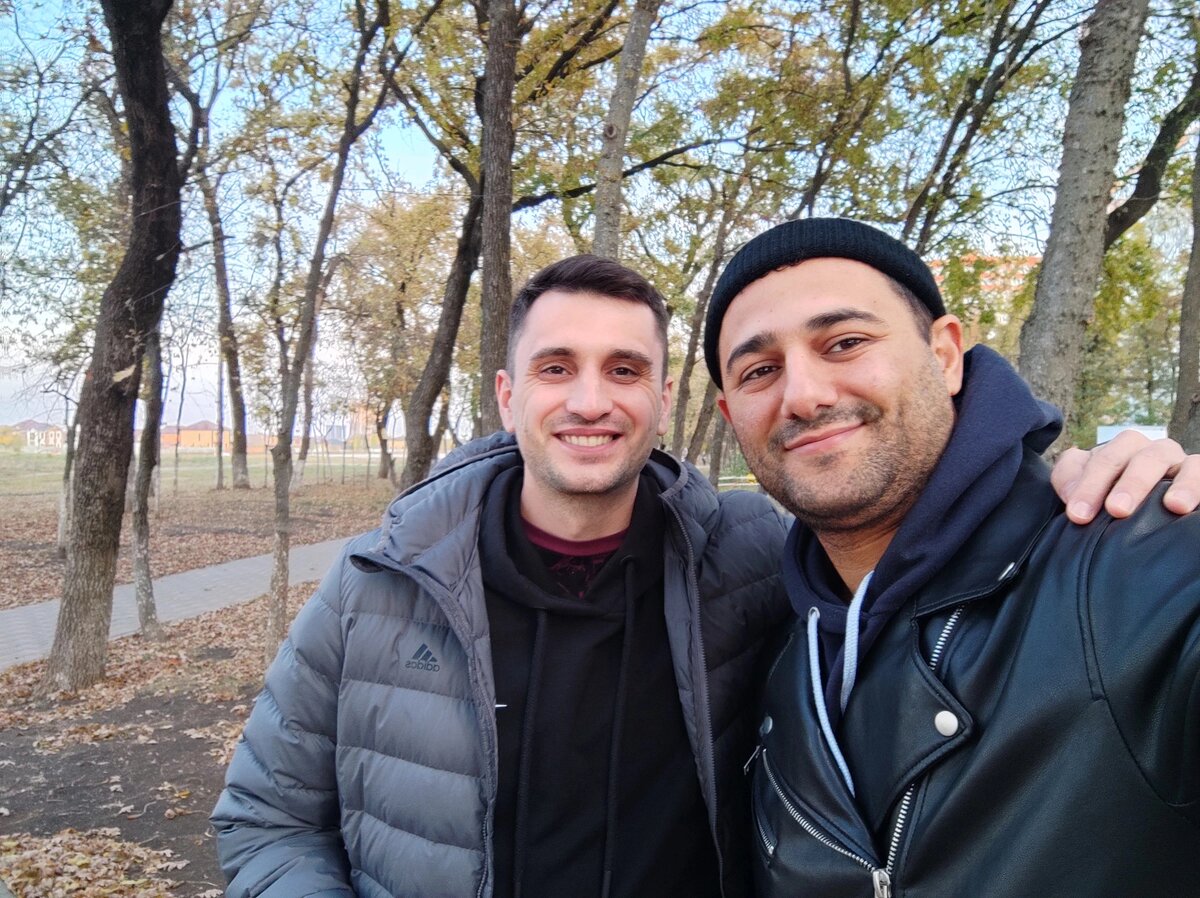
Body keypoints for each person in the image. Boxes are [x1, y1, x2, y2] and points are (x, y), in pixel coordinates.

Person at [212, 253, 1195, 898]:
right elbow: (265, 818)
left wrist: (1104, 481)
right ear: (508, 397)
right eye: (555, 368)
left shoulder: (754, 564)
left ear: (668, 397)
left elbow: (935, 562)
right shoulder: (381, 585)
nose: (589, 401)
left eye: (624, 370)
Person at [705, 217, 1200, 897]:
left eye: (845, 343)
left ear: (944, 355)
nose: (804, 395)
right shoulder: (783, 655)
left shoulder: (1136, 568)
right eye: (761, 371)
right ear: (731, 415)